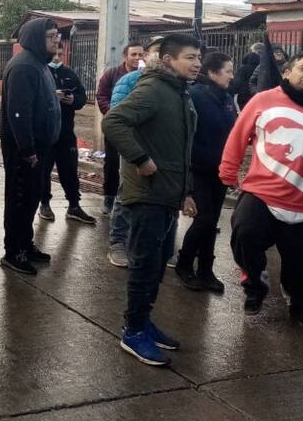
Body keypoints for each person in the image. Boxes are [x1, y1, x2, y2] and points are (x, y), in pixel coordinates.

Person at [102, 33, 201, 367]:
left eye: (198, 57)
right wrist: (140, 159)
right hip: (147, 195)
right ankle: (133, 331)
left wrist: (185, 191)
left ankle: (144, 321)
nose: (197, 63)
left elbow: (179, 147)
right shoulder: (154, 89)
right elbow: (113, 121)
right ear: (169, 60)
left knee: (158, 263)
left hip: (167, 193)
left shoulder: (178, 91)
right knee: (145, 264)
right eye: (190, 57)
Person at [221, 52, 303, 332]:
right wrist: (228, 172)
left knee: (299, 261)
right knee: (244, 234)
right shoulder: (263, 100)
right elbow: (238, 136)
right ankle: (254, 285)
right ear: (286, 73)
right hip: (262, 192)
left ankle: (301, 307)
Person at [0, 18, 61, 275]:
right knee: (20, 199)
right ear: (36, 38)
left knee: (32, 198)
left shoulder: (39, 64)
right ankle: (14, 251)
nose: (57, 40)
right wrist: (28, 150)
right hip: (24, 151)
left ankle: (25, 243)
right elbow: (18, 113)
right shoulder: (25, 66)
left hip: (40, 148)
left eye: (57, 35)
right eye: (51, 36)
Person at [175, 52, 236, 293]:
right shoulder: (195, 96)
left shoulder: (227, 98)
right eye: (228, 71)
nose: (232, 76)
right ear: (212, 73)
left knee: (212, 222)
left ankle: (206, 270)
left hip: (218, 171)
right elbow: (186, 135)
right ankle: (184, 264)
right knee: (204, 220)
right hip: (197, 169)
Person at [107, 36, 165, 268]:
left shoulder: (178, 85)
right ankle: (118, 243)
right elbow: (115, 117)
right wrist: (133, 151)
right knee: (126, 195)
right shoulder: (130, 80)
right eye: (156, 52)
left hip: (163, 151)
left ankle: (156, 243)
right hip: (135, 151)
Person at [37, 41, 95, 224]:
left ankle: (74, 206)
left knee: (69, 170)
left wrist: (72, 99)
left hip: (66, 133)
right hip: (45, 133)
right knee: (43, 170)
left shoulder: (70, 74)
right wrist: (51, 95)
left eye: (60, 55)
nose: (56, 58)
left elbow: (82, 98)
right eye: (54, 54)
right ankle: (44, 203)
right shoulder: (40, 72)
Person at [96, 41, 144, 214]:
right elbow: (101, 96)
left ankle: (132, 199)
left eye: (140, 54)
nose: (137, 58)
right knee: (112, 163)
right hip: (117, 127)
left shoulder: (145, 76)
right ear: (125, 56)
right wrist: (112, 113)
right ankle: (109, 198)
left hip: (138, 129)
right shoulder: (112, 74)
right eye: (134, 54)